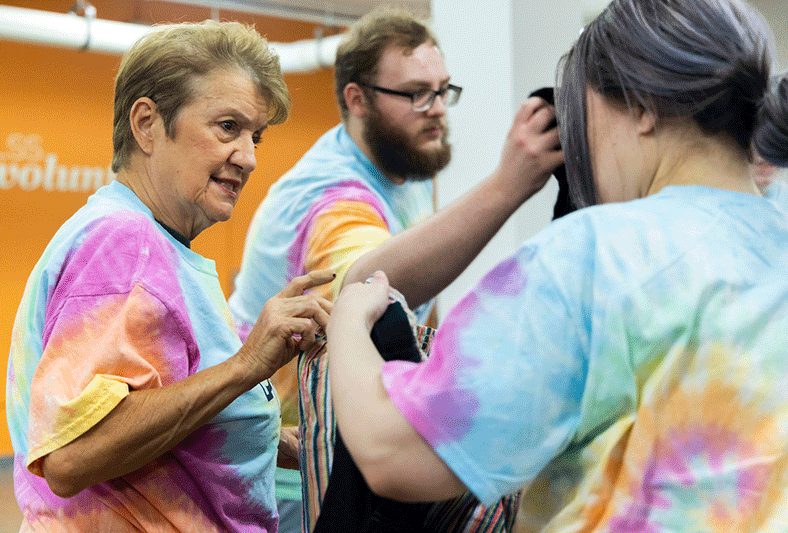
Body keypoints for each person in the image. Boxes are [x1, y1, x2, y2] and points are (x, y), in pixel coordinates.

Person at [326, 0, 788, 531]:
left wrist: (349, 323)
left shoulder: (597, 255)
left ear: (640, 107)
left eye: (585, 118)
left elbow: (393, 454)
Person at [226, 8, 562, 532]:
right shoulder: (331, 196)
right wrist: (510, 182)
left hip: (340, 446)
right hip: (287, 474)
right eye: (415, 94)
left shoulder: (395, 172)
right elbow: (370, 283)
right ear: (357, 99)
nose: (436, 110)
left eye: (443, 90)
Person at [5, 21, 334, 532]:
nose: (248, 158)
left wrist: (290, 444)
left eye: (256, 136)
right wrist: (247, 364)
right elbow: (73, 453)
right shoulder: (122, 242)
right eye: (227, 127)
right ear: (147, 124)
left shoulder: (157, 244)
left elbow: (166, 418)